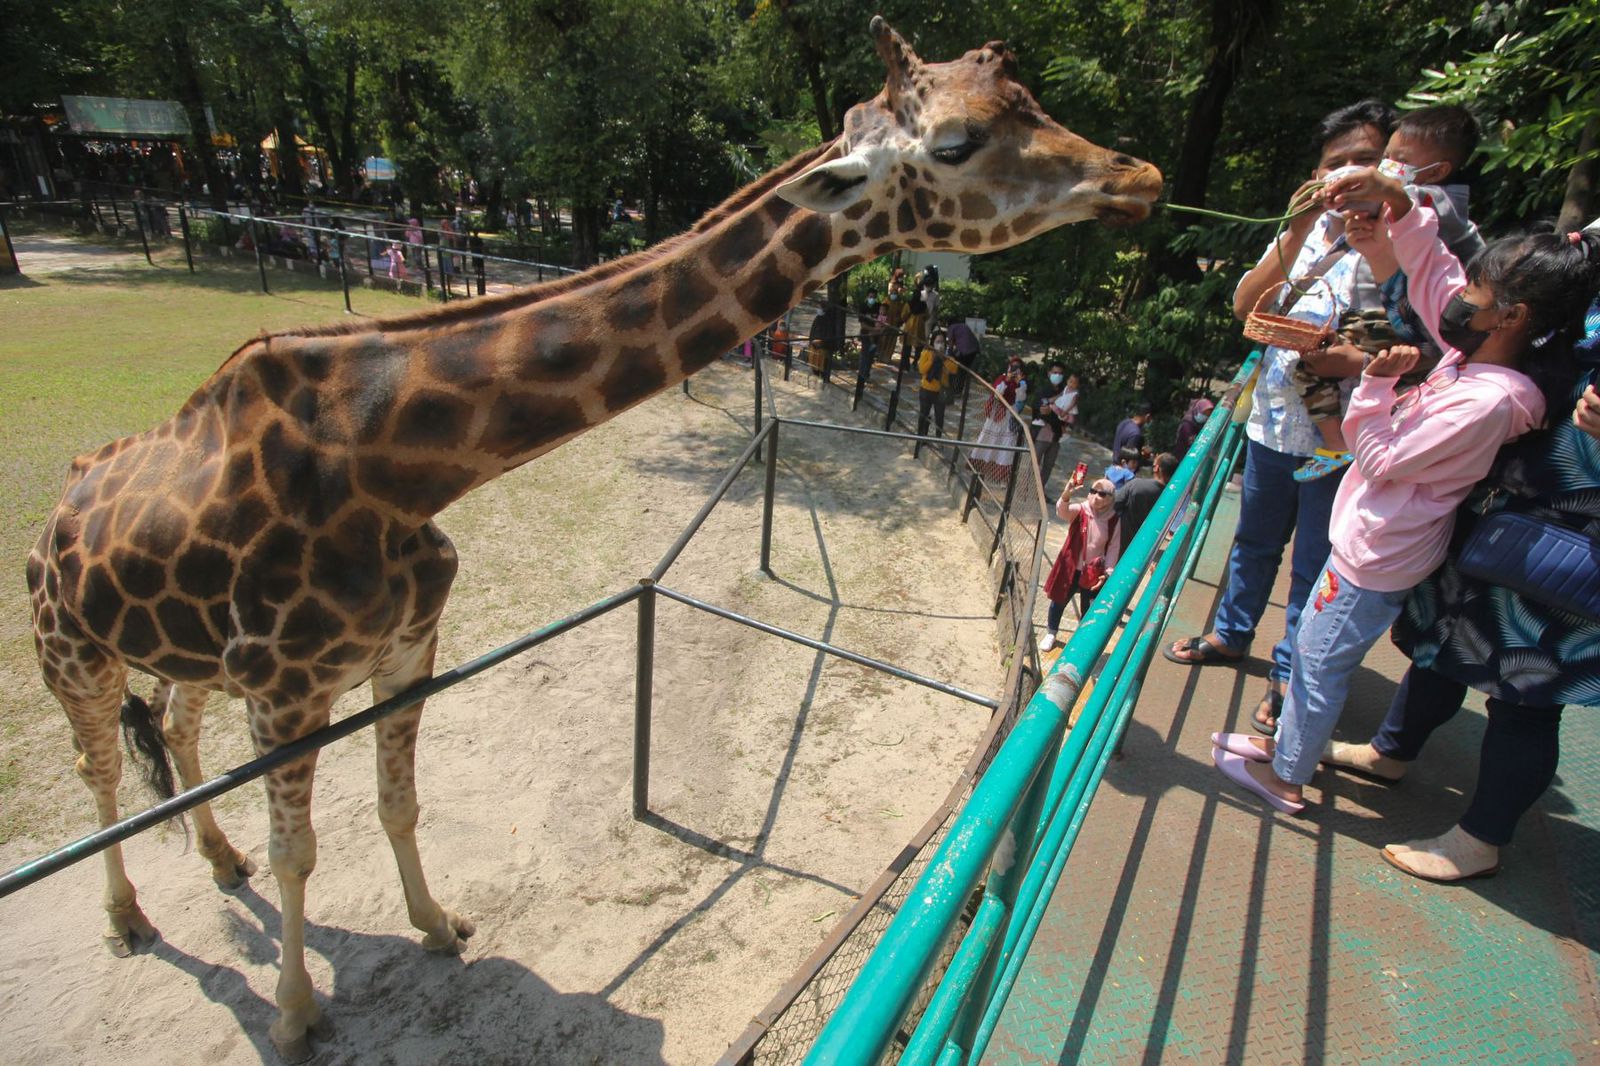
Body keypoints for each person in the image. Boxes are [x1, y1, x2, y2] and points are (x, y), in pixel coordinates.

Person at [1209, 203, 1595, 818]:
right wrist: (1403, 213)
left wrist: (1371, 389)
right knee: (1314, 646)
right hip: (1373, 537)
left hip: (1377, 549)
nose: (1459, 298)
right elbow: (1430, 274)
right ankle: (1281, 745)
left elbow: (1383, 457)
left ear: (1513, 315)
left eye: (1475, 289)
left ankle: (1284, 777)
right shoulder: (1475, 365)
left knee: (1316, 663)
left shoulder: (1486, 401)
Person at [1315, 236, 1600, 881]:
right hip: (1491, 520)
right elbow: (1443, 286)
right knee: (1439, 649)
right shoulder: (1572, 292)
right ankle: (1391, 751)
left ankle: (1482, 838)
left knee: (1526, 699)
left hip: (1559, 557)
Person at [1164, 100, 1396, 736]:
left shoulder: (1408, 233)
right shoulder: (1308, 230)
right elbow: (1244, 304)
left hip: (1347, 432)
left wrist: (1353, 360)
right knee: (1255, 540)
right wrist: (1295, 230)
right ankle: (1234, 633)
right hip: (1272, 419)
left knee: (1317, 562)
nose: (1348, 172)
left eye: (1364, 160)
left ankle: (1291, 672)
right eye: (1335, 162)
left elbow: (1428, 332)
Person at [1291, 105, 1487, 483]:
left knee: (1322, 369)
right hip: (1380, 310)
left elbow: (1410, 205)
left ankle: (1338, 444)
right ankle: (1337, 442)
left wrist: (1375, 192)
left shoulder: (1439, 202)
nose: (1386, 168)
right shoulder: (1389, 203)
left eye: (1398, 160)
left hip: (1406, 319)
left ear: (1439, 169)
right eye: (1387, 159)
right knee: (1311, 361)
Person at [1038, 473, 1122, 652]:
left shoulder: (1113, 520)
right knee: (1059, 600)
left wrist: (1108, 572)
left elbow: (1114, 547)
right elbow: (1063, 511)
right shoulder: (1082, 510)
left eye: (1102, 494)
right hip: (1070, 567)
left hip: (1093, 572)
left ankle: (1081, 638)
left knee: (1089, 608)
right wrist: (1067, 493)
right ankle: (1051, 632)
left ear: (1110, 499)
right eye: (1093, 491)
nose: (1096, 497)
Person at [972, 358, 1027, 481]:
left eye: (1017, 368)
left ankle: (999, 474)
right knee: (989, 440)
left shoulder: (1021, 384)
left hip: (1009, 415)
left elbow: (1021, 399)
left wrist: (1018, 384)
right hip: (996, 414)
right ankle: (980, 467)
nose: (1013, 370)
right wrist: (1007, 380)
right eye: (1012, 367)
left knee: (1005, 442)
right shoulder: (1001, 379)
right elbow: (997, 394)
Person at [1114, 452, 1178, 556]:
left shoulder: (1136, 485)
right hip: (1145, 551)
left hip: (1121, 544)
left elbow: (1114, 504)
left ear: (1156, 468)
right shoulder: (1174, 497)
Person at [1033, 363, 1078, 491]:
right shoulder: (1042, 390)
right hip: (1043, 432)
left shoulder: (1067, 392)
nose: (1057, 375)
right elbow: (1039, 406)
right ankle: (1026, 489)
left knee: (1048, 465)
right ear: (1049, 373)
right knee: (1034, 462)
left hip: (1056, 434)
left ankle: (1039, 491)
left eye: (1060, 373)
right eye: (1055, 372)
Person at [916, 330, 959, 439]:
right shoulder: (927, 353)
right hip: (926, 389)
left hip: (940, 391)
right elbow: (922, 369)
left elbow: (954, 370)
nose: (940, 344)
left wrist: (943, 358)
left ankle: (938, 438)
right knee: (924, 415)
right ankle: (921, 437)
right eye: (938, 341)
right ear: (933, 342)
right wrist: (933, 359)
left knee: (940, 417)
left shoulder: (948, 356)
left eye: (942, 342)